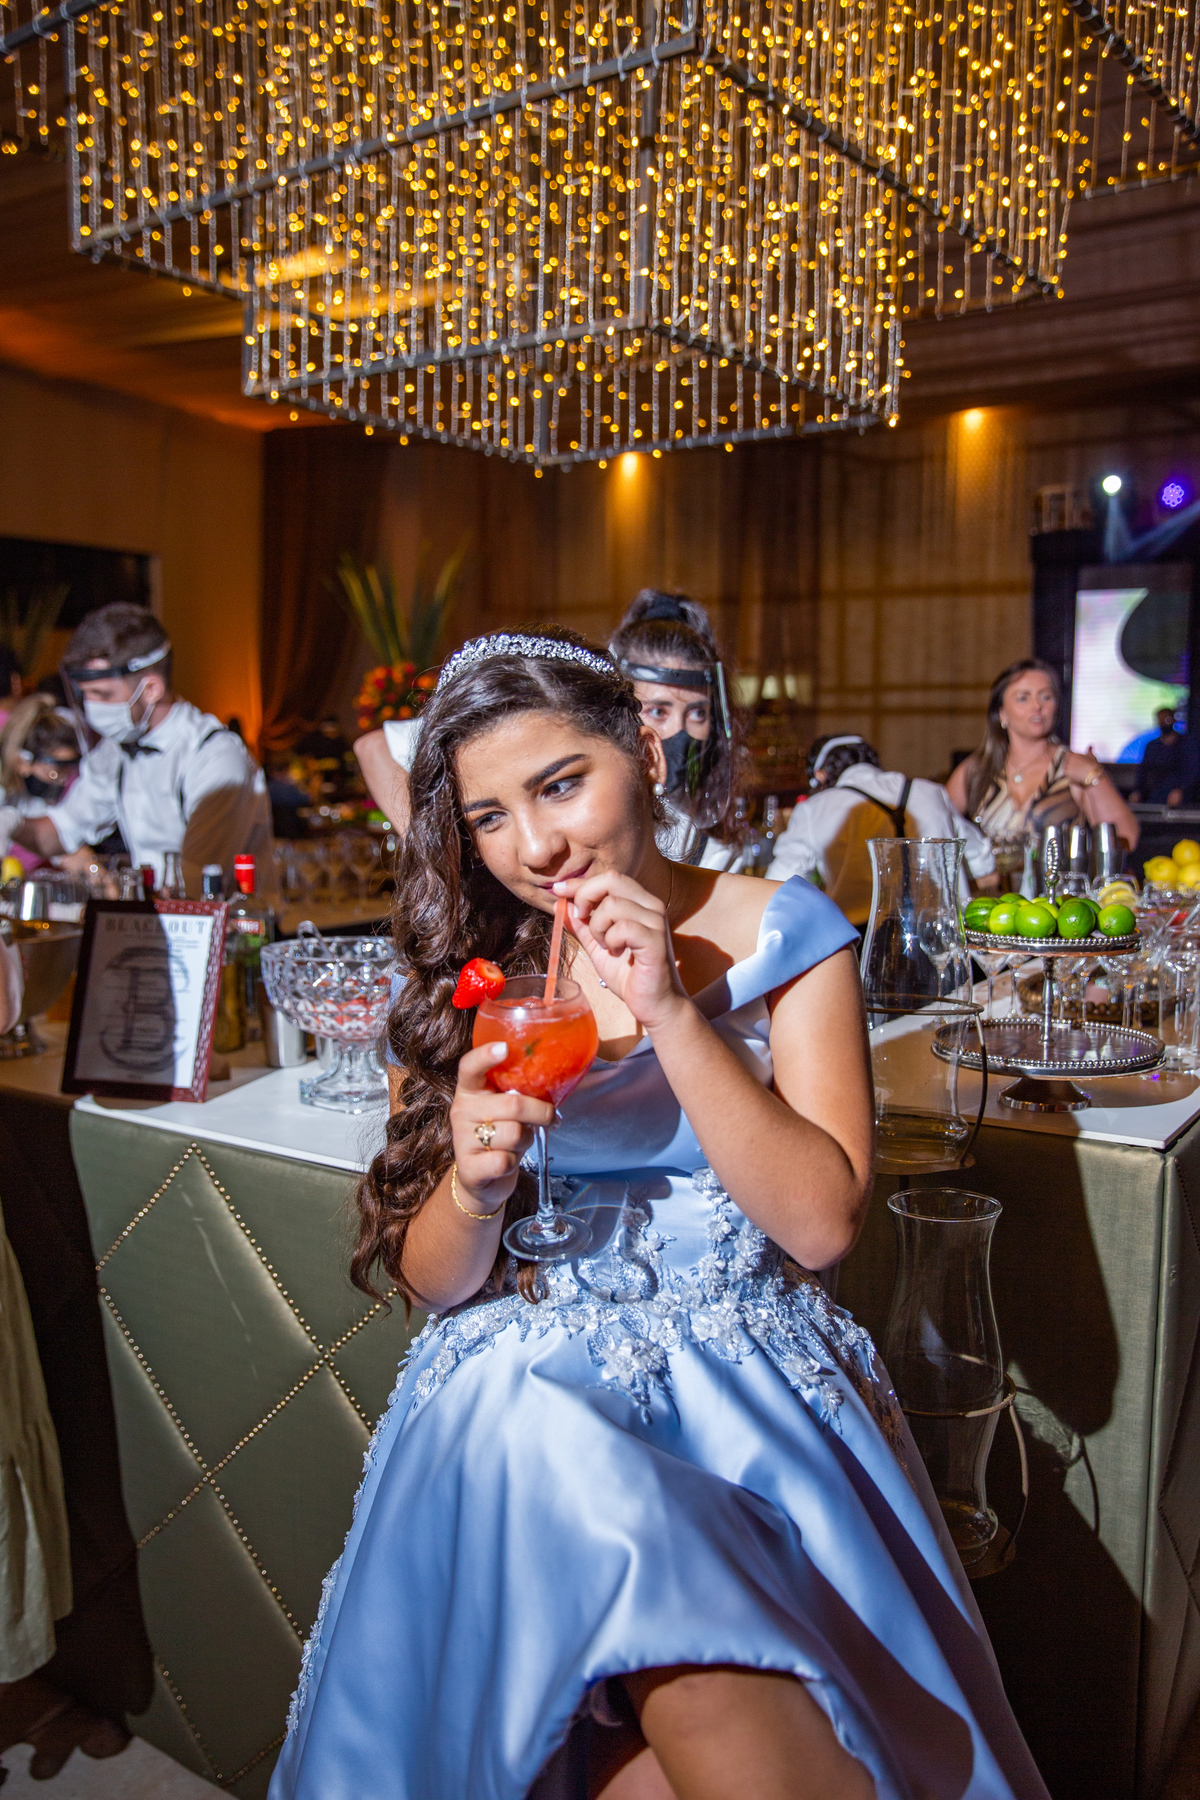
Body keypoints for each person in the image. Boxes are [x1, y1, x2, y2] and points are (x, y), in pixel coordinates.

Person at [271, 629, 1048, 1800]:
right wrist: (474, 1186)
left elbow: (822, 1226)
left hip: (743, 1369)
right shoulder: (475, 968)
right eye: (488, 818)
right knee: (542, 1438)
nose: (535, 847)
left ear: (642, 748)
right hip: (522, 1377)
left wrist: (673, 1012)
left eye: (560, 785)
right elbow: (436, 1283)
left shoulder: (787, 930)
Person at [2, 605, 273, 897]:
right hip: (156, 915)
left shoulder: (214, 758)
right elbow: (59, 832)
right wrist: (12, 823)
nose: (92, 707)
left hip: (231, 922)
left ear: (151, 689)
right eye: (85, 694)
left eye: (102, 694)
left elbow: (194, 886)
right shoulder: (116, 750)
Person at [947, 658, 1139, 890]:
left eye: (1045, 697)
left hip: (1057, 903)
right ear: (1002, 713)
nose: (1037, 706)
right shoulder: (975, 770)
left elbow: (1127, 838)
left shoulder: (1073, 766)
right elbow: (937, 833)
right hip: (993, 905)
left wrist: (1094, 776)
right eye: (1023, 698)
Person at [768, 735, 995, 925]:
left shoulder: (813, 809)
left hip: (861, 942)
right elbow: (984, 863)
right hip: (940, 934)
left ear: (820, 775)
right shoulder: (932, 792)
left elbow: (779, 886)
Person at [1129, 707, 1199, 807]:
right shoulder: (1152, 746)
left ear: (1174, 720)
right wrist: (1137, 791)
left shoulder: (1187, 744)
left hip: (1183, 797)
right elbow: (1143, 771)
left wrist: (1181, 790)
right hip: (1155, 796)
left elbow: (1193, 771)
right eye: (1160, 720)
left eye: (1167, 719)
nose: (1164, 723)